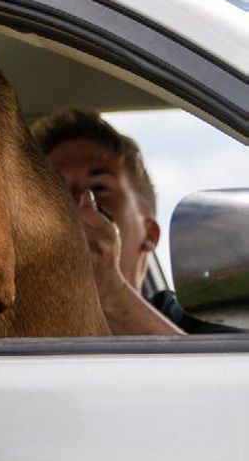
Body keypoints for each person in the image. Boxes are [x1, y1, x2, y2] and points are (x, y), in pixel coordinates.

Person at [34, 107, 239, 335]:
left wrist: (109, 292)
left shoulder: (202, 320)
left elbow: (222, 371)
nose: (74, 205)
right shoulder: (2, 327)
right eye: (55, 189)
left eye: (98, 189)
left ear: (150, 235)